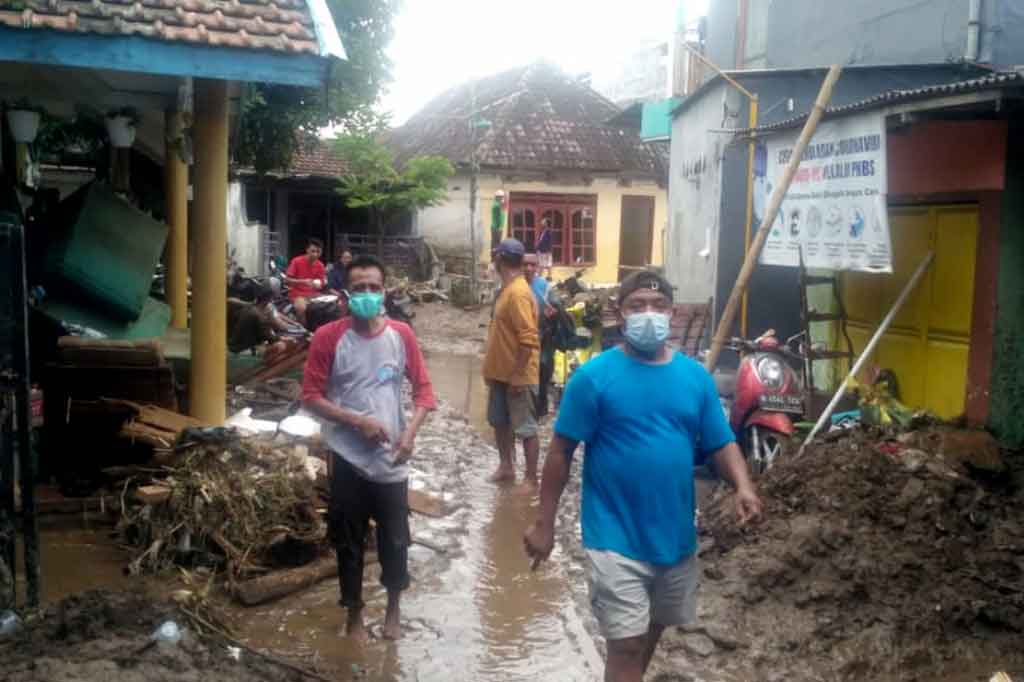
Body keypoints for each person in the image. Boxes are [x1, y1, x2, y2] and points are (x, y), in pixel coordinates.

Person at [523, 271, 764, 682]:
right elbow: (562, 451)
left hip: (674, 537)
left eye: (657, 306)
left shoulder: (695, 379)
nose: (648, 314)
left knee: (648, 636)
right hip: (613, 535)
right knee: (628, 644)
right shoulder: (593, 378)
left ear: (670, 312)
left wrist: (743, 486)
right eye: (637, 306)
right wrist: (544, 522)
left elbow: (721, 442)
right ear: (621, 313)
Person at [302, 255, 437, 641]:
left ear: (384, 292)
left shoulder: (401, 335)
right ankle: (354, 616)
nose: (366, 294)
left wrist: (409, 433)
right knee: (348, 542)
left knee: (396, 540)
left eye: (373, 288)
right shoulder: (329, 337)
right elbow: (310, 397)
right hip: (346, 458)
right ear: (345, 294)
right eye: (358, 287)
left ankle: (393, 610)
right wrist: (357, 421)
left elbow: (425, 393)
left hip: (393, 460)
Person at [483, 238, 541, 487]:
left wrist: (518, 375)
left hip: (518, 375)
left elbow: (529, 340)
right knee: (499, 422)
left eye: (495, 257)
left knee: (526, 428)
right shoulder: (506, 289)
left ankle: (530, 478)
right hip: (500, 374)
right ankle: (506, 466)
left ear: (500, 260)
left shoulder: (518, 293)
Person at [523, 253, 557, 417]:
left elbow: (556, 306)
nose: (529, 268)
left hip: (542, 336)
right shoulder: (512, 286)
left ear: (538, 267)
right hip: (519, 338)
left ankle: (540, 409)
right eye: (525, 264)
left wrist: (554, 312)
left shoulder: (545, 286)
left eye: (533, 265)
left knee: (542, 372)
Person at [285, 238, 327, 326]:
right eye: (313, 251)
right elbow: (287, 280)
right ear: (307, 250)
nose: (315, 254)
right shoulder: (296, 261)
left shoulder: (320, 265)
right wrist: (303, 281)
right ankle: (304, 330)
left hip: (314, 294)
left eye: (318, 252)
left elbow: (322, 282)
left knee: (332, 305)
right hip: (298, 294)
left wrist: (320, 284)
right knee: (301, 308)